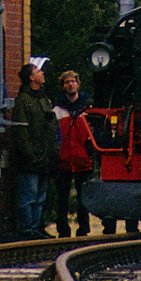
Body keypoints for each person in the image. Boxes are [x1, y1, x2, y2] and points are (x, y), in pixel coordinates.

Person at [9, 57, 59, 240]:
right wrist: (31, 155)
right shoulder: (23, 101)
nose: (42, 73)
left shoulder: (43, 99)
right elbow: (21, 133)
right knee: (28, 196)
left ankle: (36, 227)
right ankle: (26, 229)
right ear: (31, 77)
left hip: (44, 158)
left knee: (40, 198)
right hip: (32, 160)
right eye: (39, 71)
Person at [53, 70, 95, 237]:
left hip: (83, 158)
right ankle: (63, 231)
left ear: (78, 84)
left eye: (73, 81)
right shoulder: (56, 109)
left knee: (83, 199)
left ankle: (83, 230)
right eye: (67, 82)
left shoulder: (89, 108)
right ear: (63, 86)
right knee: (62, 199)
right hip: (63, 159)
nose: (70, 84)